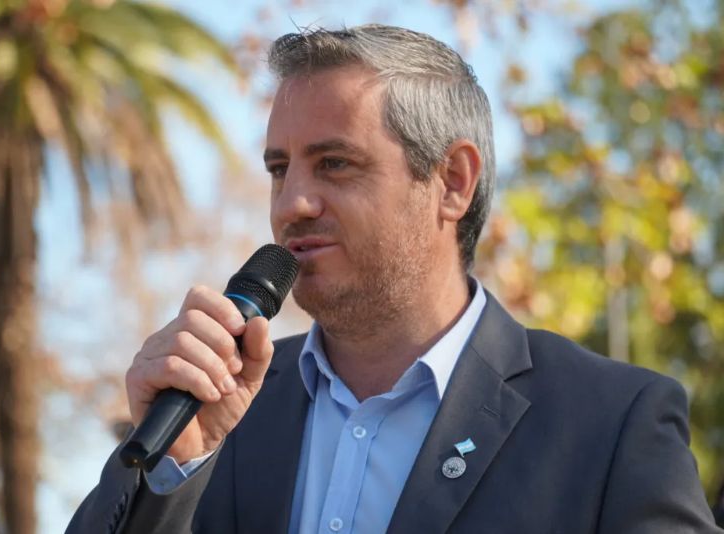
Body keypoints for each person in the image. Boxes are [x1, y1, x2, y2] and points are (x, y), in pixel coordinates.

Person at [67, 25, 721, 533]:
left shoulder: (611, 422)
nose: (292, 203)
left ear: (452, 182)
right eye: (279, 169)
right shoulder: (217, 412)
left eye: (335, 163)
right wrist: (172, 469)